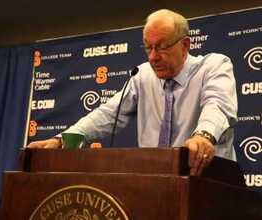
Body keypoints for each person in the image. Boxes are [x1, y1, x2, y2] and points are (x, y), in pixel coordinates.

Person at [27, 9, 238, 176]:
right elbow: (108, 114)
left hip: (206, 183)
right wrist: (62, 140)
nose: (153, 57)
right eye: (148, 47)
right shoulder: (143, 75)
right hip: (155, 182)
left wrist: (204, 136)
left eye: (162, 47)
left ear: (185, 45)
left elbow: (217, 105)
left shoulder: (213, 66)